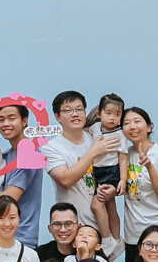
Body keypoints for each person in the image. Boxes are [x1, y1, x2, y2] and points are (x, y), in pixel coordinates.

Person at [39, 90, 117, 232]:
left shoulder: (96, 138)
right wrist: (94, 151)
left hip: (102, 228)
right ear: (57, 117)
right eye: (68, 110)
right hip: (71, 227)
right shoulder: (50, 147)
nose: (75, 114)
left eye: (79, 109)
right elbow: (65, 180)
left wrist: (114, 190)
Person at [116, 107, 158, 262]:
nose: (132, 127)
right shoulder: (124, 155)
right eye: (126, 123)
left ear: (149, 127)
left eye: (137, 121)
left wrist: (150, 167)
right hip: (133, 234)